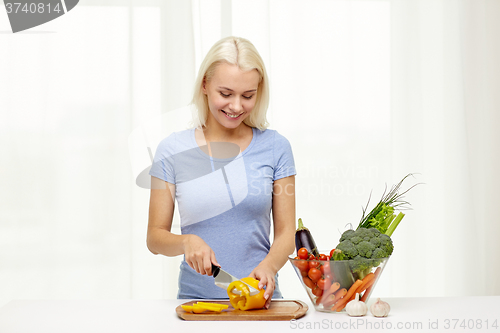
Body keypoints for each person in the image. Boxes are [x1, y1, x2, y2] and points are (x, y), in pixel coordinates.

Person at [147, 36, 296, 309]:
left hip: (262, 302)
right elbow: (155, 238)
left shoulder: (276, 147)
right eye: (225, 94)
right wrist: (186, 242)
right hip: (198, 303)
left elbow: (287, 233)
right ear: (205, 85)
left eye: (248, 96)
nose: (236, 106)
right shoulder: (172, 149)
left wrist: (269, 266)